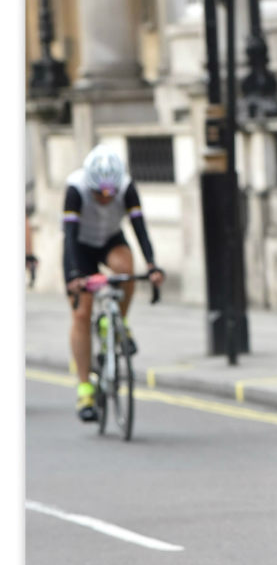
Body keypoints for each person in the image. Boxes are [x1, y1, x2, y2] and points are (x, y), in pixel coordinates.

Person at [63, 145, 164, 422]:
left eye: (111, 193)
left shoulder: (127, 187)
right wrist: (73, 275)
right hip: (81, 247)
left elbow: (139, 226)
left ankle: (120, 321)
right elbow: (68, 237)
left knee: (125, 268)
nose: (106, 198)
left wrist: (152, 265)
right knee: (81, 314)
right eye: (100, 193)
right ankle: (84, 387)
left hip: (109, 240)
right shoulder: (76, 188)